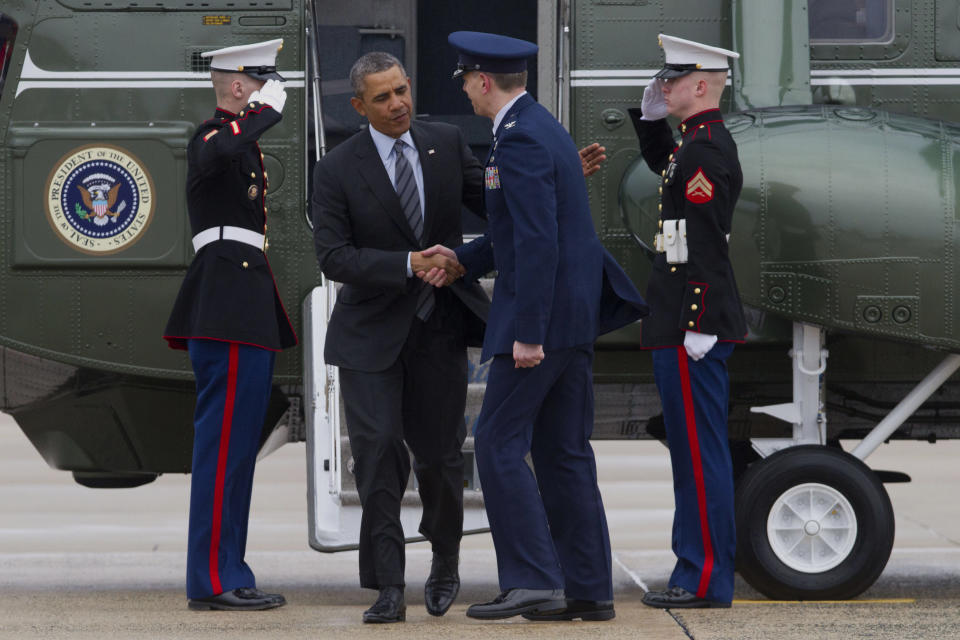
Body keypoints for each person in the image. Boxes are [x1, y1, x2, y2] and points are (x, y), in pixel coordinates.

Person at [438, 31, 648, 622]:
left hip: (543, 324)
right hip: (571, 321)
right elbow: (517, 229)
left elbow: (537, 241)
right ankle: (587, 590)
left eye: (465, 81)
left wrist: (527, 331)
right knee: (563, 453)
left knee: (499, 445)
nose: (466, 91)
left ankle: (532, 578)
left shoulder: (521, 138)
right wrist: (461, 258)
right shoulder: (540, 127)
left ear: (482, 81)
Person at [311, 51, 491, 624]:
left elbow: (498, 207)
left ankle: (444, 558)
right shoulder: (338, 167)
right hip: (369, 337)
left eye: (402, 91)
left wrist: (553, 174)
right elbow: (334, 256)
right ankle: (388, 583)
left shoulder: (444, 143)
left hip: (437, 327)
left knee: (439, 459)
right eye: (383, 98)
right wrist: (407, 264)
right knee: (378, 454)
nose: (398, 105)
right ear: (359, 105)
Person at [162, 38, 297, 611]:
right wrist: (266, 112)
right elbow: (213, 156)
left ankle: (229, 571)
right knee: (221, 452)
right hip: (226, 305)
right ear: (239, 85)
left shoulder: (240, 144)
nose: (269, 89)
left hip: (243, 305)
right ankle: (213, 581)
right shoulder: (211, 137)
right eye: (261, 80)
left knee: (237, 453)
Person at [627, 33, 747, 609]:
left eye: (670, 82)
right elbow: (664, 167)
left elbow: (702, 244)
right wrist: (650, 118)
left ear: (700, 85)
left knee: (698, 457)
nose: (662, 87)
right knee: (692, 453)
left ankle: (701, 579)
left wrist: (696, 322)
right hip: (680, 318)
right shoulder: (694, 145)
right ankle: (695, 569)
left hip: (689, 323)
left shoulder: (704, 151)